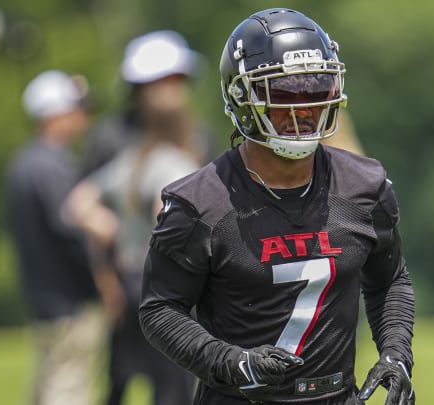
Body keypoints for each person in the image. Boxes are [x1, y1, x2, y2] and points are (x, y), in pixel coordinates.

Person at [139, 8, 415, 405]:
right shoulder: (199, 204)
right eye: (284, 93)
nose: (302, 109)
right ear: (242, 97)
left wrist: (396, 353)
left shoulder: (364, 187)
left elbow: (389, 280)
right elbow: (160, 309)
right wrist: (232, 362)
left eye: (316, 90)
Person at [63, 31, 208, 405]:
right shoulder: (111, 138)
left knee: (175, 380)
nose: (175, 91)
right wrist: (104, 275)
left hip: (179, 282)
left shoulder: (197, 135)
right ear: (141, 86)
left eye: (179, 81)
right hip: (129, 279)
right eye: (166, 81)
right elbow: (85, 207)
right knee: (121, 380)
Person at [6, 70, 105, 405]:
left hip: (43, 301)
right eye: (76, 108)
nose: (83, 116)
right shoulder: (53, 166)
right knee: (68, 389)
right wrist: (102, 280)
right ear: (56, 113)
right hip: (69, 304)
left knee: (49, 385)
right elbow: (72, 232)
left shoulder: (24, 164)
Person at [82, 30, 216, 175]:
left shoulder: (201, 138)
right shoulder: (111, 137)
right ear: (139, 89)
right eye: (161, 81)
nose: (171, 90)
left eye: (177, 80)